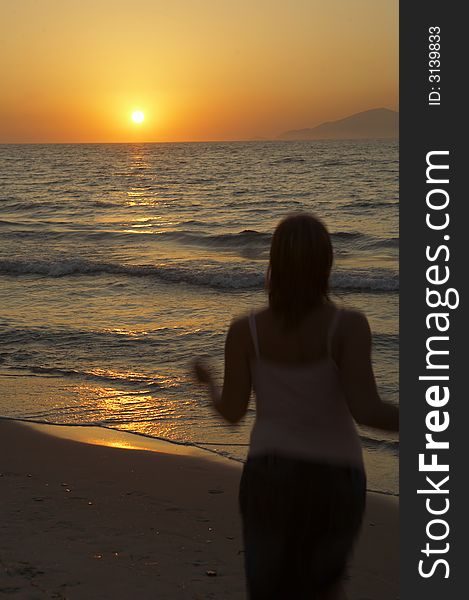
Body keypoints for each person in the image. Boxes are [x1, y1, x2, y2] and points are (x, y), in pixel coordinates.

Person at [194, 213, 399, 600]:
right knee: (323, 589)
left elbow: (233, 414)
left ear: (274, 263)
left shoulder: (246, 331)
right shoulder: (348, 326)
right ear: (326, 264)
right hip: (336, 476)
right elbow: (368, 410)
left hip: (269, 474)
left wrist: (209, 385)